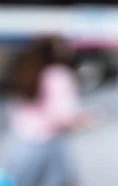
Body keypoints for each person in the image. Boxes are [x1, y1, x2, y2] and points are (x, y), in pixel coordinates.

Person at [2, 36, 91, 186]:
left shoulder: (26, 72)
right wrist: (86, 119)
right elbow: (63, 116)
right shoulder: (58, 74)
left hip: (21, 145)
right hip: (47, 146)